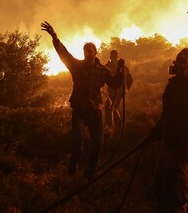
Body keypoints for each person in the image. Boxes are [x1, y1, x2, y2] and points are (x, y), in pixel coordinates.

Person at [148, 3, 188, 212]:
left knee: (176, 195)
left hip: (186, 145)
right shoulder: (173, 85)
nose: (183, 56)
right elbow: (168, 115)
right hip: (170, 145)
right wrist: (154, 133)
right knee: (160, 190)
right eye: (180, 55)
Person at [41, 21, 125, 179]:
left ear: (95, 52)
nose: (87, 52)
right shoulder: (76, 66)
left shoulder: (103, 70)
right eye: (85, 50)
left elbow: (115, 83)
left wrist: (120, 69)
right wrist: (54, 36)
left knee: (98, 144)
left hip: (95, 110)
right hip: (80, 109)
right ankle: (73, 167)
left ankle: (89, 171)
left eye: (90, 50)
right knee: (77, 141)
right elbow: (63, 53)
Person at [104, 50, 133, 130]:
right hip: (120, 91)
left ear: (110, 57)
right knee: (112, 107)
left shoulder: (108, 66)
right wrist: (125, 90)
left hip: (114, 91)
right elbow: (130, 79)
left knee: (110, 108)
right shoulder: (124, 67)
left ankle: (111, 127)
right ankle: (116, 126)